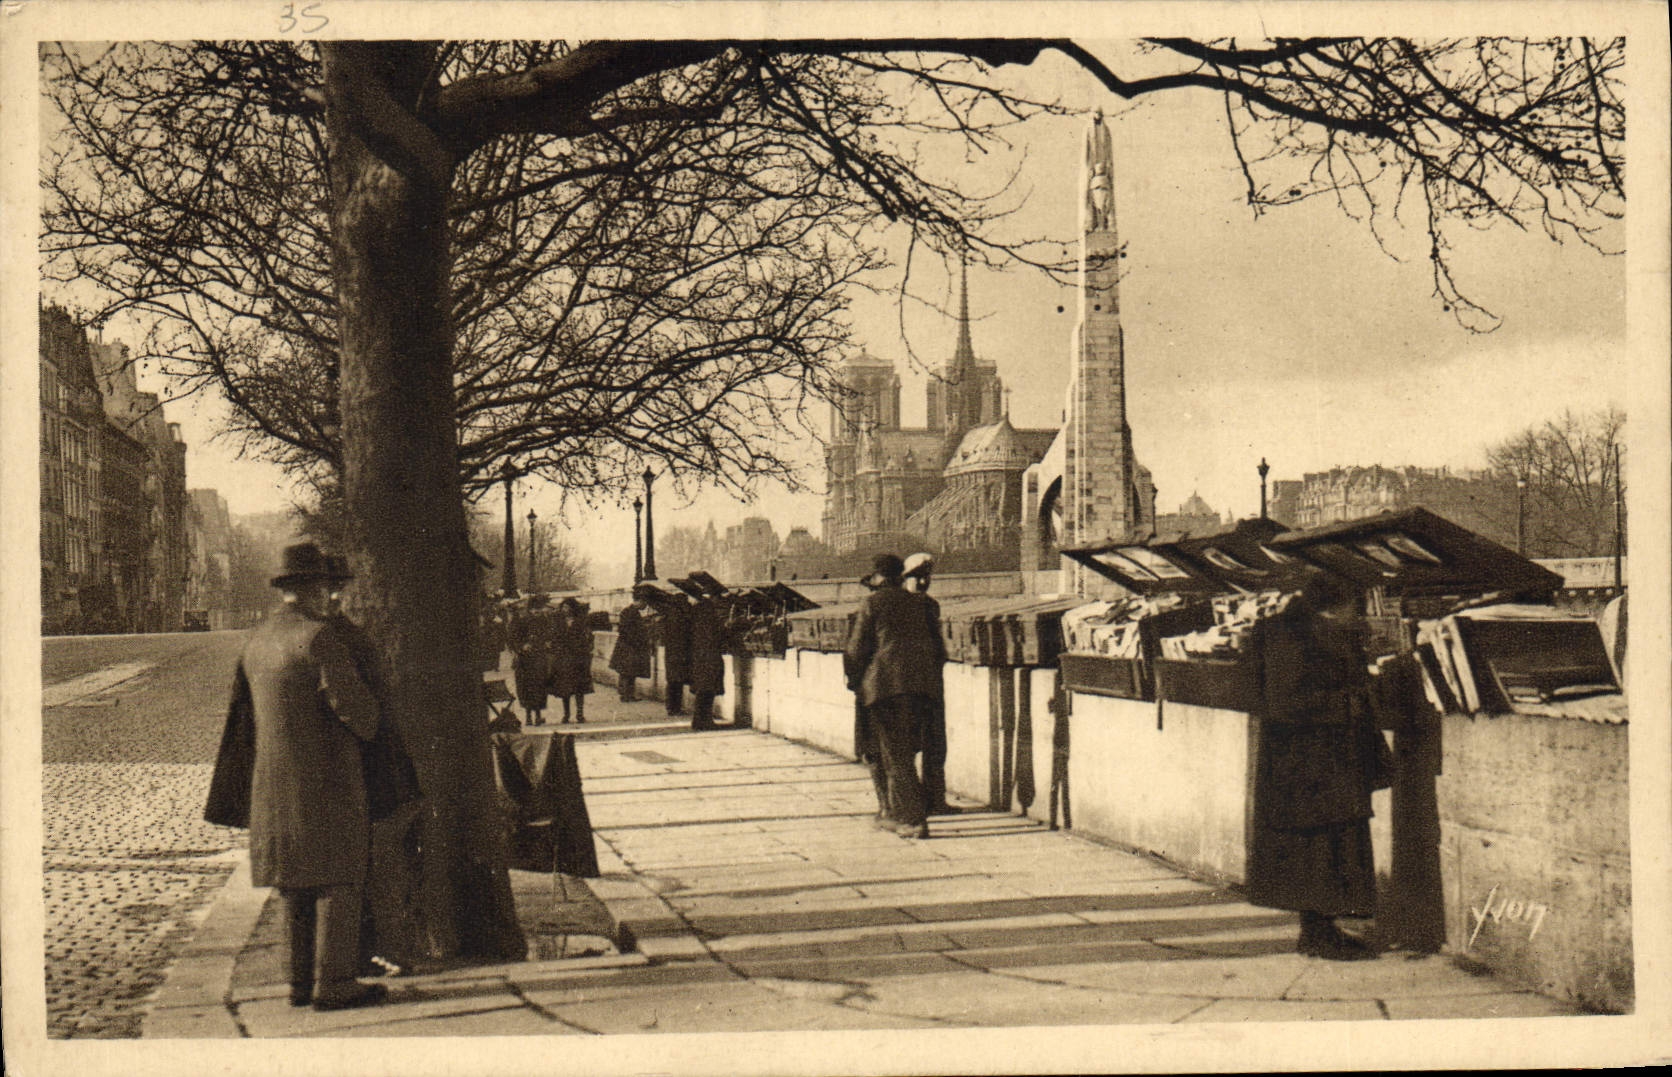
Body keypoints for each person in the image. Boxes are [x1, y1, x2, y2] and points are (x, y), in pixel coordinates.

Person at [224, 542, 389, 1011]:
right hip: (328, 781)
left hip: (272, 787)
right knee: (339, 878)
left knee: (293, 884)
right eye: (325, 587)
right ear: (315, 588)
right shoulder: (320, 638)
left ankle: (298, 984)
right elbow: (359, 714)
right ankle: (335, 983)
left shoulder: (256, 640)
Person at [1246, 570, 1392, 961]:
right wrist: (1353, 701)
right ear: (1337, 606)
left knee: (1320, 849)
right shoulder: (1295, 637)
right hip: (1311, 762)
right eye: (1355, 608)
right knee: (1320, 848)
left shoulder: (1289, 630)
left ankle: (1320, 930)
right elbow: (1284, 701)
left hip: (1308, 763)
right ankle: (1317, 935)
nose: (1359, 616)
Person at [321, 555, 422, 979]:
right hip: (381, 766)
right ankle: (383, 951)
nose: (330, 597)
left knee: (377, 868)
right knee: (379, 868)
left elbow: (359, 711)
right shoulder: (347, 635)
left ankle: (386, 952)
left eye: (333, 589)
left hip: (372, 769)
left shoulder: (333, 640)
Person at [844, 554, 942, 839]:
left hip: (885, 689)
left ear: (877, 579)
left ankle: (912, 820)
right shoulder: (919, 604)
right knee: (906, 752)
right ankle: (900, 814)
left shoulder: (872, 603)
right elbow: (938, 648)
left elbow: (856, 649)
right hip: (921, 688)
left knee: (895, 754)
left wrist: (855, 680)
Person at [902, 552, 951, 815]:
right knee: (910, 744)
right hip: (909, 684)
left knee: (935, 743)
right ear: (905, 579)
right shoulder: (900, 606)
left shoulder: (932, 605)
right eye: (917, 578)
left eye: (926, 577)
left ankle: (935, 799)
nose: (922, 583)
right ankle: (913, 802)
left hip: (931, 682)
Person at [509, 594, 554, 726]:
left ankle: (538, 715)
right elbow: (513, 638)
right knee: (527, 687)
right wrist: (522, 646)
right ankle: (529, 716)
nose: (536, 612)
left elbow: (550, 636)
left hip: (539, 658)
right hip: (526, 660)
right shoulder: (522, 621)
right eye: (533, 609)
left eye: (538, 609)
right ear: (529, 610)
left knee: (540, 686)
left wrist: (547, 643)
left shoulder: (545, 621)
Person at [549, 597, 595, 723]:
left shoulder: (581, 621)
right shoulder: (557, 622)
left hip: (578, 659)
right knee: (565, 689)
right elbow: (554, 638)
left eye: (567, 607)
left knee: (579, 689)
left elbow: (589, 638)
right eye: (563, 607)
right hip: (563, 659)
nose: (565, 610)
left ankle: (580, 713)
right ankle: (566, 714)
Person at [687, 590, 727, 731]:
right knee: (707, 691)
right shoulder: (708, 616)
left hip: (700, 657)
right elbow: (716, 636)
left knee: (703, 691)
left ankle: (700, 721)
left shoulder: (699, 613)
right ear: (713, 599)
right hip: (708, 657)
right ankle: (703, 721)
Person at [609, 586, 654, 702]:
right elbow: (628, 630)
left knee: (628, 672)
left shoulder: (629, 611)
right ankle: (626, 695)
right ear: (639, 601)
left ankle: (627, 695)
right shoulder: (630, 612)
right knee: (628, 673)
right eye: (644, 603)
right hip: (629, 647)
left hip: (626, 646)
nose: (645, 606)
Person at [658, 590, 693, 718]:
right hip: (679, 653)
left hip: (671, 653)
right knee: (676, 682)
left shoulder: (670, 614)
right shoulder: (679, 616)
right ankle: (675, 708)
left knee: (673, 681)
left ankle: (672, 707)